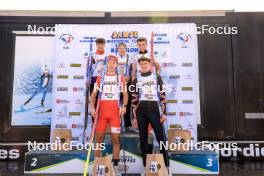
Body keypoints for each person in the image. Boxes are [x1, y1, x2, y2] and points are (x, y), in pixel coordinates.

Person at [90, 55, 128, 175]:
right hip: (102, 113)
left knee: (115, 139)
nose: (111, 64)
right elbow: (94, 94)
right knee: (99, 138)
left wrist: (125, 106)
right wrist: (92, 107)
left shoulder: (119, 77)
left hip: (114, 113)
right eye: (110, 62)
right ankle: (97, 165)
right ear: (106, 64)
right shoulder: (100, 78)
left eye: (114, 62)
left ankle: (115, 166)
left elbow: (125, 94)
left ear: (117, 65)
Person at [131, 56, 169, 173]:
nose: (143, 65)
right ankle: (146, 167)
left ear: (149, 64)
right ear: (139, 66)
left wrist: (164, 113)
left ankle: (166, 167)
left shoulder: (157, 77)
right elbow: (134, 100)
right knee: (143, 139)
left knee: (161, 138)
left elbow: (162, 96)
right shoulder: (135, 80)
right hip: (141, 110)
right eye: (141, 63)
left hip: (154, 109)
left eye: (145, 63)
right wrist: (134, 117)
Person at [116, 42, 137, 133]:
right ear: (117, 49)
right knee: (116, 103)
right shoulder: (115, 58)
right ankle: (117, 124)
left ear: (126, 49)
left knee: (127, 104)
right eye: (120, 48)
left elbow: (133, 70)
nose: (122, 50)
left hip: (126, 82)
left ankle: (128, 125)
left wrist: (130, 78)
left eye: (123, 48)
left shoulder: (130, 57)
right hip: (116, 82)